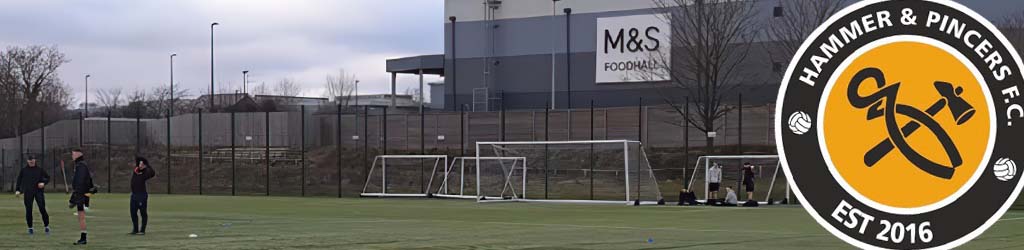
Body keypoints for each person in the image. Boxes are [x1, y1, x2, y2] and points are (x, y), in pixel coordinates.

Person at [15, 154, 51, 235]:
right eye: (30, 160)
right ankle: (30, 228)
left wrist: (43, 183)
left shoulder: (40, 170)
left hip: (39, 192)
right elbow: (19, 180)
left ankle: (46, 226)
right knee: (29, 210)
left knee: (42, 208)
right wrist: (17, 190)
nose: (31, 161)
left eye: (33, 159)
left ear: (35, 160)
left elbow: (48, 178)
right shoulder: (24, 170)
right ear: (27, 161)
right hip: (28, 192)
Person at [69, 149, 96, 245]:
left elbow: (80, 182)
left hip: (81, 194)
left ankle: (83, 238)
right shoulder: (81, 165)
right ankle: (83, 237)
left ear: (78, 154)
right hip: (82, 194)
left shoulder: (81, 166)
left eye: (73, 153)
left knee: (81, 216)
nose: (72, 155)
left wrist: (74, 197)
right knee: (81, 216)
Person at [130, 156, 156, 235]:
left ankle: (142, 230)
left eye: (142, 164)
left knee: (143, 213)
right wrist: (140, 159)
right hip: (134, 195)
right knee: (133, 213)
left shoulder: (145, 172)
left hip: (142, 195)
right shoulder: (136, 170)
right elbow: (137, 159)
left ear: (145, 165)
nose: (140, 165)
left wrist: (147, 164)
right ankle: (135, 229)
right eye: (140, 164)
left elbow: (152, 173)